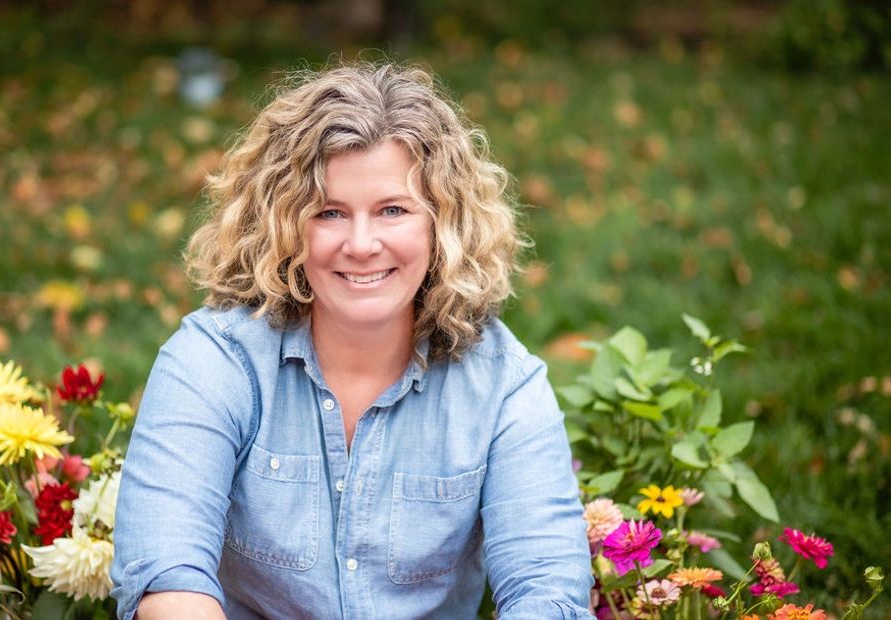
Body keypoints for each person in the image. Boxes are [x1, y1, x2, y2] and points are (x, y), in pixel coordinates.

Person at [110, 61, 593, 620]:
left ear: (443, 226)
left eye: (393, 210)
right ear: (284, 225)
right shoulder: (213, 362)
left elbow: (546, 590)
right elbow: (168, 577)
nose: (362, 244)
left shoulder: (503, 386)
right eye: (330, 213)